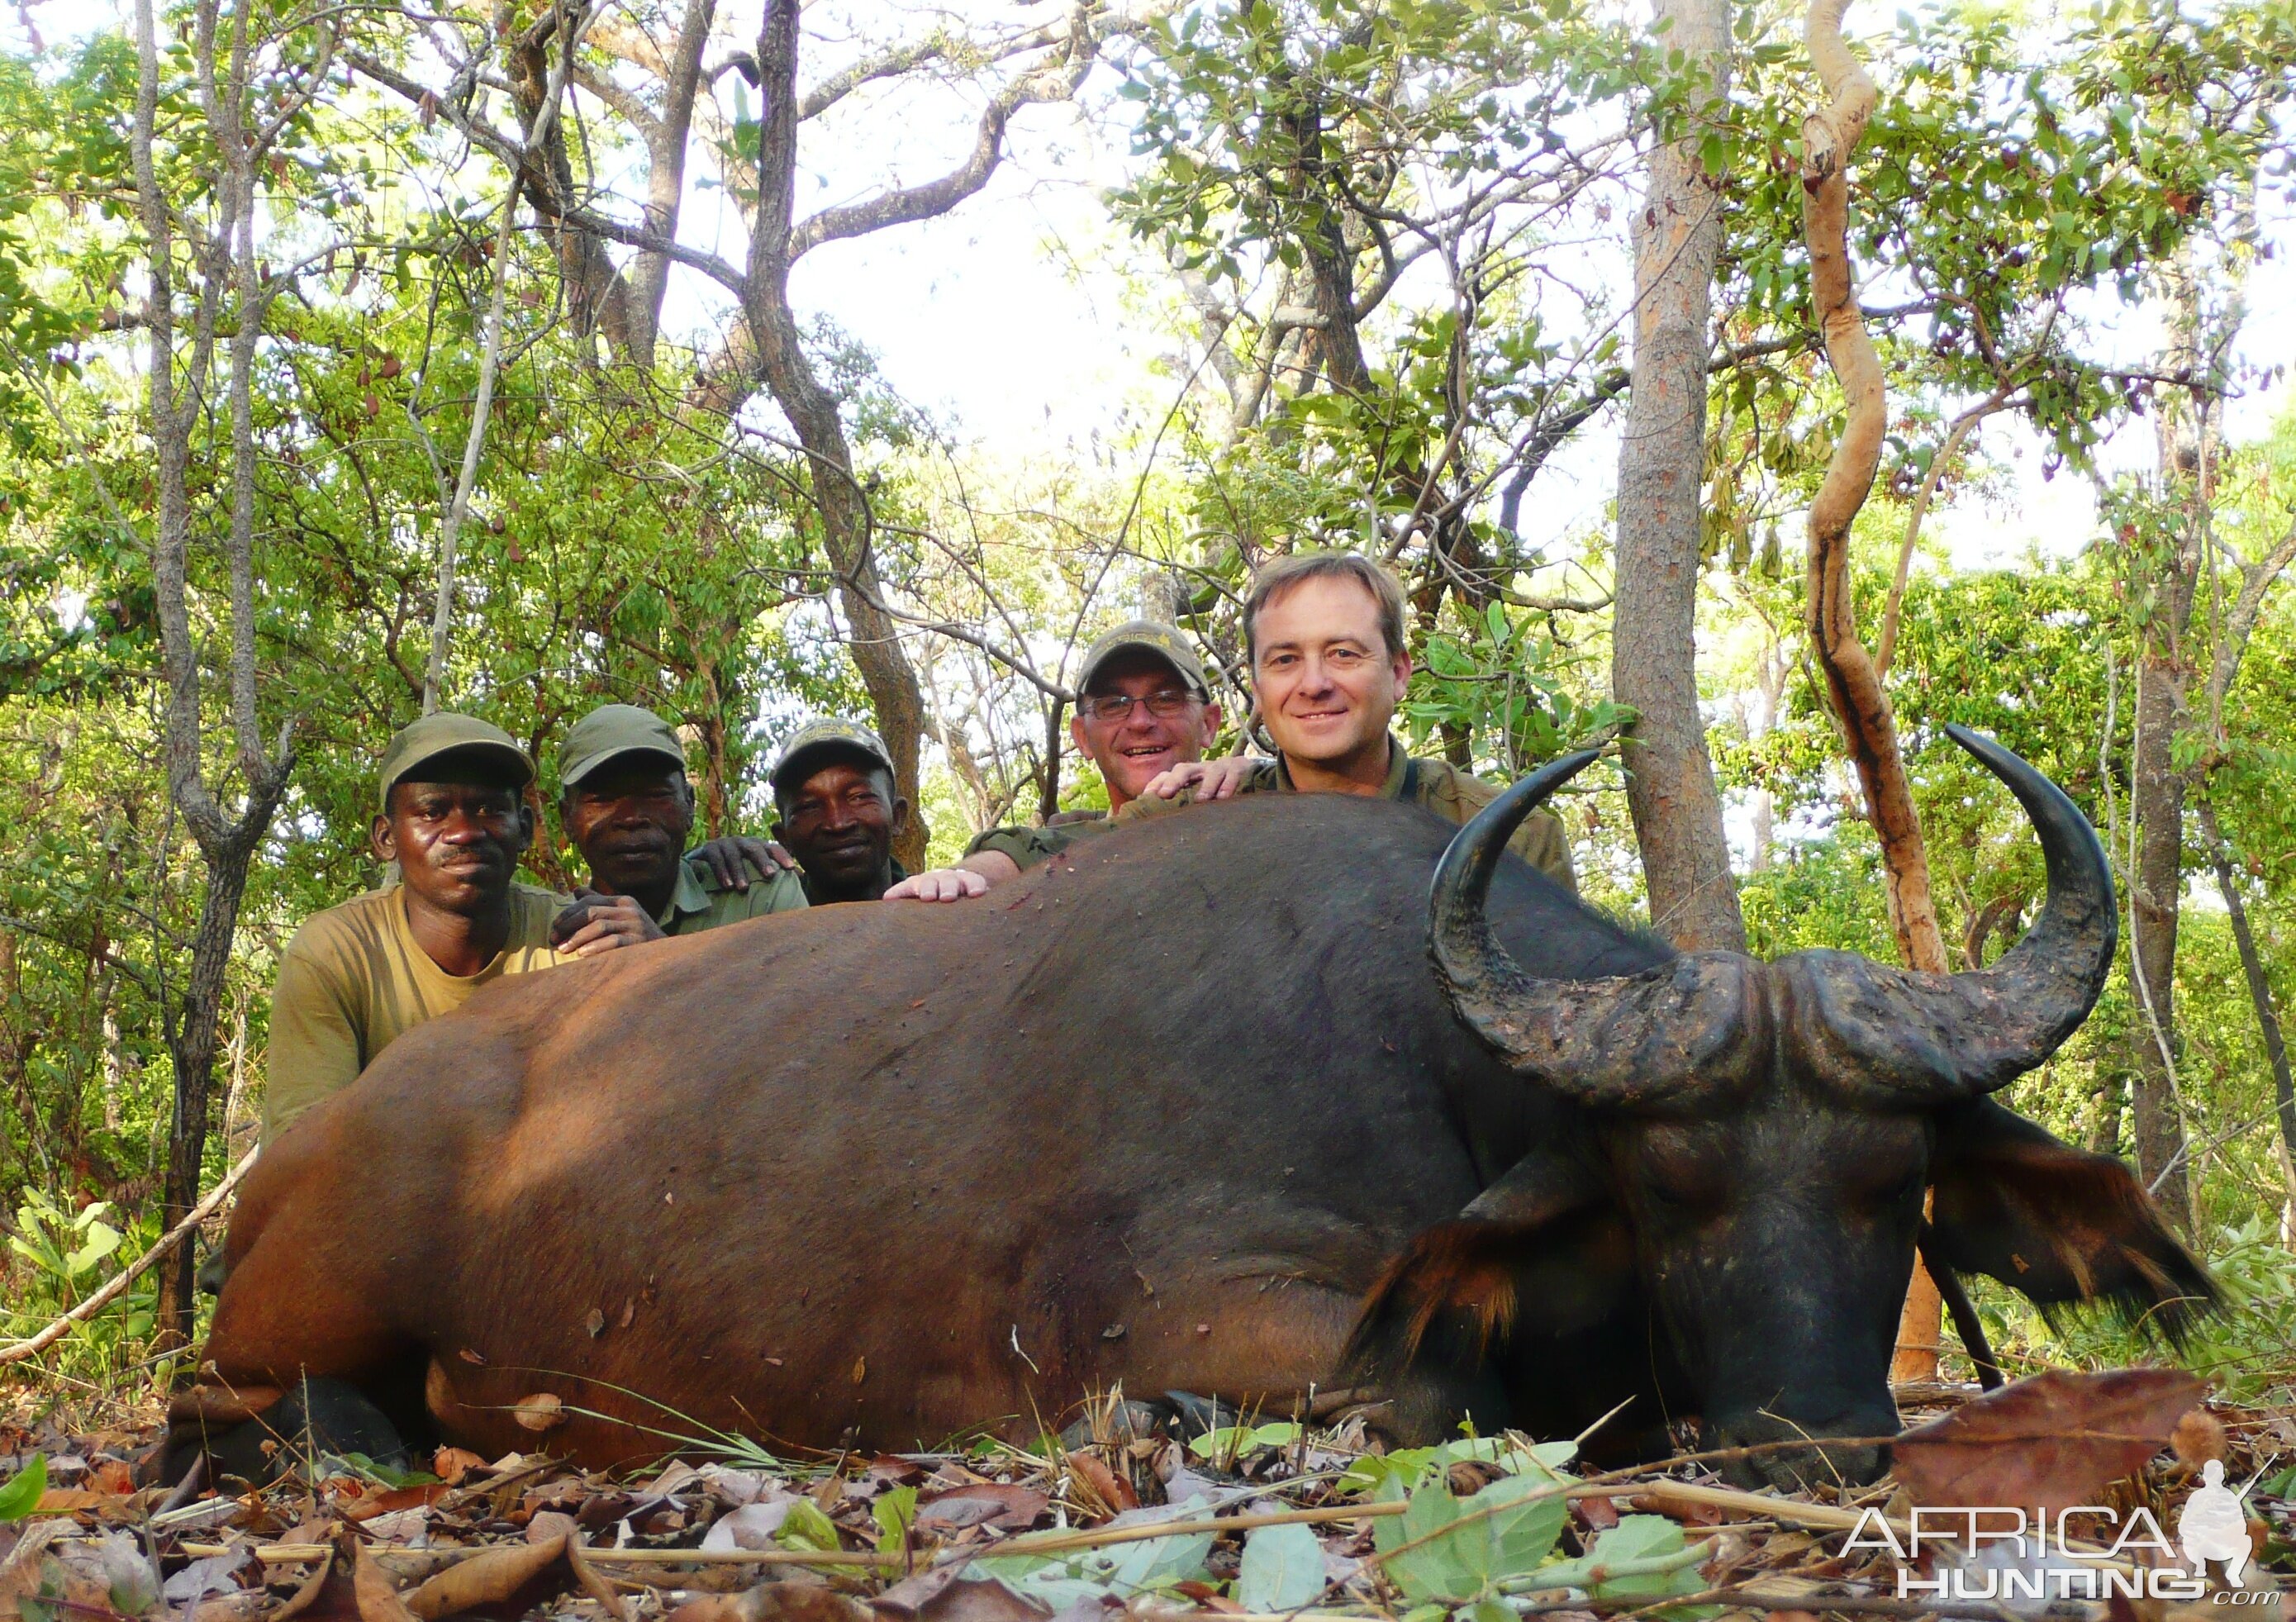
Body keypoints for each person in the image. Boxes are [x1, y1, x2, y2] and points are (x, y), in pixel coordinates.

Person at [262, 712, 643, 1143]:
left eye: (489, 809)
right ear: (386, 838)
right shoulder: (335, 952)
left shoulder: (575, 937)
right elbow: (305, 1148)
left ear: (523, 828)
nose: (464, 832)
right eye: (432, 812)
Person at [1125, 551, 1576, 888]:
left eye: (1344, 654)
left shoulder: (1511, 839)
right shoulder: (1181, 823)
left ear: (1398, 672)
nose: (1314, 683)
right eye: (1285, 660)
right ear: (1258, 688)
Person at [889, 620, 1224, 902]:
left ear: (1208, 724)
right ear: (1082, 737)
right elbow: (1012, 856)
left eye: (1166, 699)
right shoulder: (1063, 843)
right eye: (1113, 705)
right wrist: (958, 879)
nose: (1139, 722)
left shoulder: (1256, 795)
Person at [552, 703, 808, 944]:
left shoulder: (758, 895)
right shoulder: (545, 931)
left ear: (689, 805)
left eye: (656, 795)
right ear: (567, 819)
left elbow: (805, 988)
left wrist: (659, 955)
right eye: (603, 799)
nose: (631, 818)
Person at [769, 718, 912, 904]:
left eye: (859, 797)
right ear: (784, 839)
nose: (837, 824)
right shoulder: (762, 918)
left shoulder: (940, 913)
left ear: (897, 817)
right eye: (809, 807)